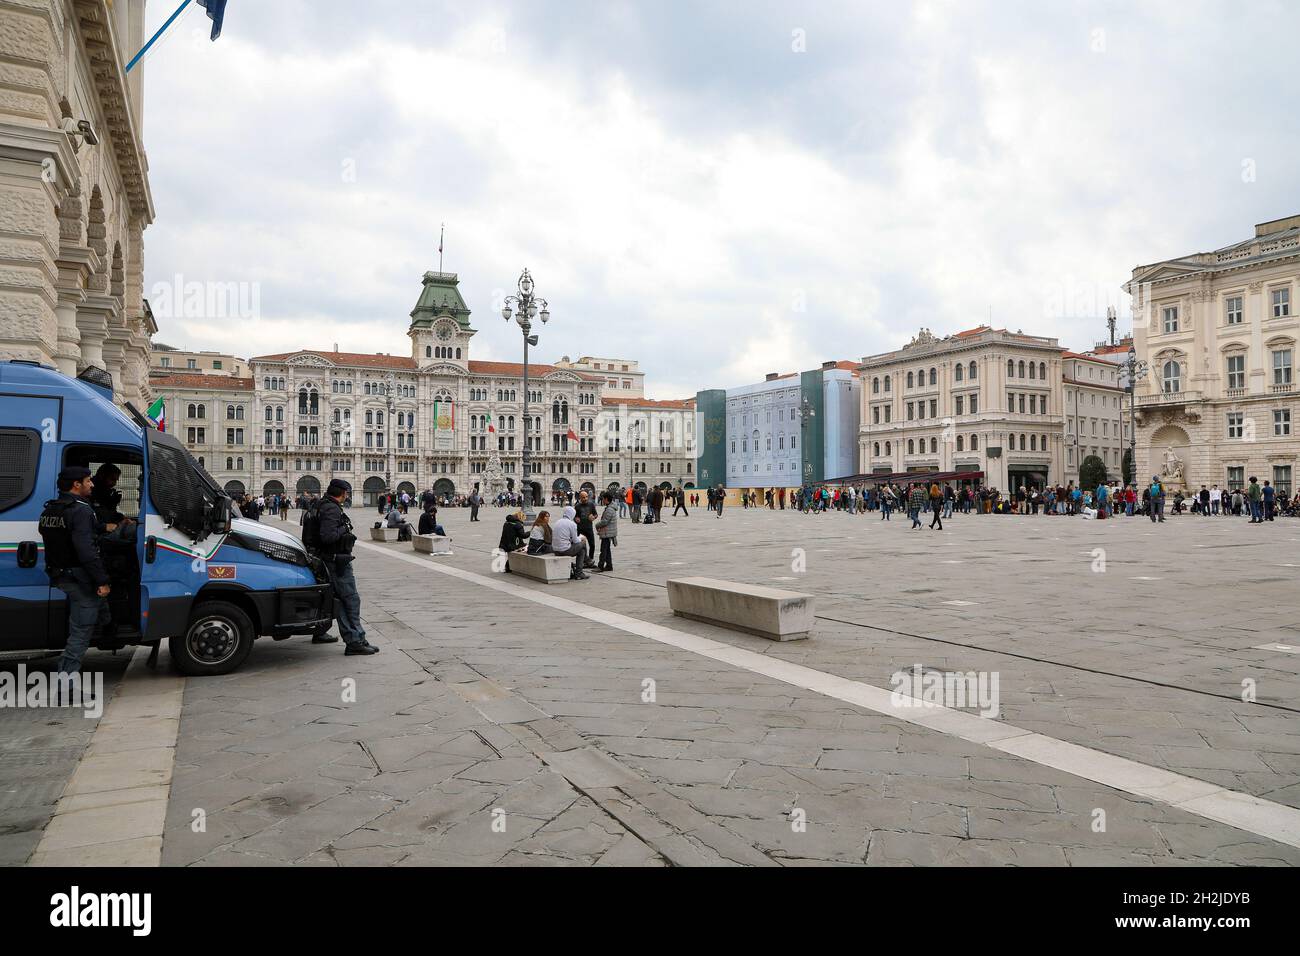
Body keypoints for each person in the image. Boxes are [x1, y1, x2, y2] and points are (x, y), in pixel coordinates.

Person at [39, 466, 113, 679]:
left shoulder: (52, 509)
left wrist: (101, 527)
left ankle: (108, 631)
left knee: (99, 608)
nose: (92, 484)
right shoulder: (81, 510)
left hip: (60, 573)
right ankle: (66, 684)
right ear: (76, 485)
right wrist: (101, 580)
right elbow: (86, 550)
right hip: (79, 576)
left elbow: (64, 537)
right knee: (81, 631)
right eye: (88, 480)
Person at [315, 479, 378, 655]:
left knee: (342, 601)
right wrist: (344, 528)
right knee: (351, 599)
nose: (347, 495)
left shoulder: (322, 504)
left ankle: (355, 639)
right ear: (342, 493)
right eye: (347, 492)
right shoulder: (331, 508)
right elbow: (328, 536)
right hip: (336, 560)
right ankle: (355, 641)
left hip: (329, 559)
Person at [552, 506, 590, 580]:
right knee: (583, 543)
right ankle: (581, 570)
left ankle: (586, 561)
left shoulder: (557, 522)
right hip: (564, 550)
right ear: (572, 514)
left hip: (556, 550)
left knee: (581, 551)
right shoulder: (572, 524)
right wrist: (582, 537)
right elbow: (575, 540)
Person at [595, 491, 619, 572]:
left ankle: (600, 566)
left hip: (607, 532)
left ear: (606, 499)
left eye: (603, 499)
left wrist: (597, 525)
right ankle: (609, 565)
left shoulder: (609, 509)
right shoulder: (611, 508)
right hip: (608, 532)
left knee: (603, 550)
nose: (602, 501)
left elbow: (605, 521)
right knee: (607, 550)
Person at [574, 491, 598, 566]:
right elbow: (574, 516)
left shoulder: (591, 505)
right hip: (580, 529)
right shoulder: (577, 506)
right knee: (581, 546)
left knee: (592, 545)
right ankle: (583, 561)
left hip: (589, 528)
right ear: (580, 498)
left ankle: (590, 560)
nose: (585, 498)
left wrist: (594, 517)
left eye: (586, 497)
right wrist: (576, 519)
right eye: (583, 497)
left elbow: (596, 514)